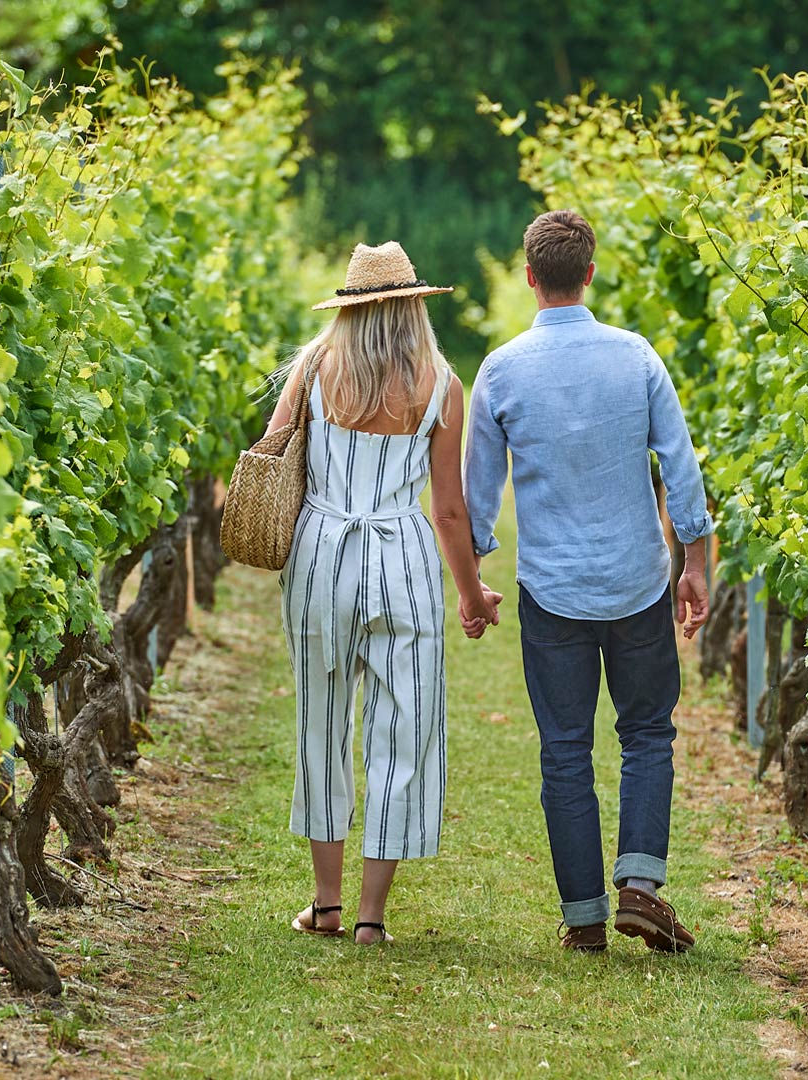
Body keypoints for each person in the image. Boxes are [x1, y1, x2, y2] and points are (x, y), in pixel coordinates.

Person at [463, 210, 711, 954]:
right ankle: (639, 885)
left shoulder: (502, 370)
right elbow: (681, 465)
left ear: (530, 276)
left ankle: (584, 918)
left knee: (564, 748)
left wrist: (473, 578)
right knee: (646, 733)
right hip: (637, 579)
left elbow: (478, 493)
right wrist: (693, 561)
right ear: (591, 274)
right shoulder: (636, 357)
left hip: (551, 590)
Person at [270, 241, 503, 946]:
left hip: (320, 554)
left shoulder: (313, 367)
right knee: (404, 730)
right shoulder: (439, 384)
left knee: (322, 726)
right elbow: (449, 510)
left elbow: (271, 453)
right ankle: (372, 916)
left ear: (350, 309)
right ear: (412, 307)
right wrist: (470, 594)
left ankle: (326, 903)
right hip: (401, 559)